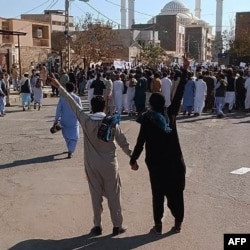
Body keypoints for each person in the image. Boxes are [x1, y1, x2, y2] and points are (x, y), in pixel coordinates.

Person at [50, 76, 131, 236]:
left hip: (92, 164)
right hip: (109, 164)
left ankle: (97, 225)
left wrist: (59, 85)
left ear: (92, 108)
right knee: (114, 194)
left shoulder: (86, 120)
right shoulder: (111, 122)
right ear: (104, 106)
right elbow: (123, 142)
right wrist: (133, 158)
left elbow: (72, 103)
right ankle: (117, 225)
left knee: (95, 195)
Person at [130, 57, 189, 235]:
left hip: (156, 166)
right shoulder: (170, 115)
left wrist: (133, 160)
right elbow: (179, 94)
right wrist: (185, 71)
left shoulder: (147, 120)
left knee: (158, 195)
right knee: (176, 195)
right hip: (174, 164)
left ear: (151, 105)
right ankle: (178, 222)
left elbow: (140, 142)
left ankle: (158, 225)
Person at [54, 82, 82, 159]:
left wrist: (56, 120)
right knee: (74, 136)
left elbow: (58, 109)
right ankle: (71, 150)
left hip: (64, 120)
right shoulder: (77, 98)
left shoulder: (62, 98)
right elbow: (80, 110)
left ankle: (70, 149)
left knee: (66, 135)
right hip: (74, 120)